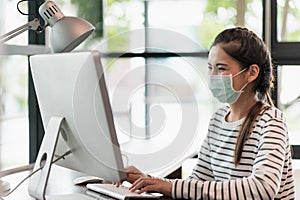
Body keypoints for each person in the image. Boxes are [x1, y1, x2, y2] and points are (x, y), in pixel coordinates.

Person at [123, 27, 295, 199]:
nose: (212, 76)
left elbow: (262, 188)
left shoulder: (271, 121)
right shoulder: (218, 120)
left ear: (251, 73)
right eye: (210, 67)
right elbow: (198, 182)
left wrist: (168, 186)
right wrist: (148, 180)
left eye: (221, 68)